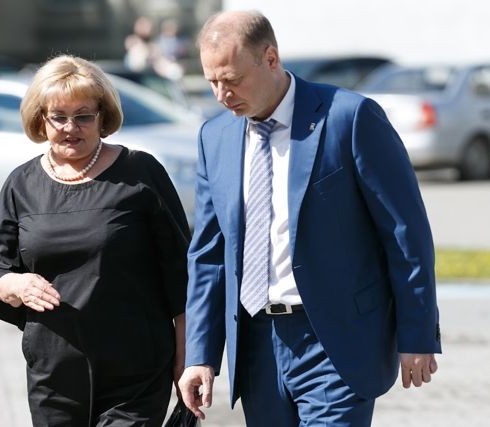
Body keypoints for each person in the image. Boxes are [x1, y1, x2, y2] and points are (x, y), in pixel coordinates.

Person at [178, 10, 441, 426]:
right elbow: (209, 255)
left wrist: (417, 333)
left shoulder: (349, 118)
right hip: (256, 347)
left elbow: (404, 233)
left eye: (232, 79)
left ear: (270, 58)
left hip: (334, 342)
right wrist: (200, 355)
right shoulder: (215, 137)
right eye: (212, 81)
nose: (222, 95)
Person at [0, 55, 190, 426]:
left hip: (136, 373)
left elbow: (182, 276)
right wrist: (18, 284)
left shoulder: (140, 174)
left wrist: (188, 360)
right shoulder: (21, 185)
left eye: (83, 116)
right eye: (58, 117)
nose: (70, 127)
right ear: (40, 119)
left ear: (102, 116)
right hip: (54, 375)